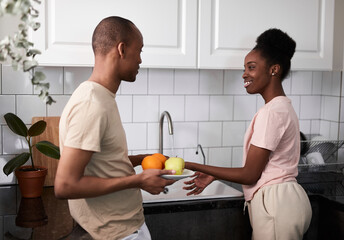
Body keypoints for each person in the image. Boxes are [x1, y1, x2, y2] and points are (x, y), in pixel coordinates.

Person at [184, 28, 312, 240]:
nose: (244, 74)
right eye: (245, 68)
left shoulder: (271, 113)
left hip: (276, 205)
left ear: (274, 70)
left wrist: (192, 165)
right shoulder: (280, 107)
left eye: (251, 67)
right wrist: (213, 174)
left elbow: (250, 174)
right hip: (284, 202)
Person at [54, 16, 175, 240]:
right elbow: (65, 185)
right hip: (118, 234)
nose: (140, 60)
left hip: (121, 229)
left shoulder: (100, 97)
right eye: (139, 50)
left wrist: (141, 159)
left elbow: (99, 165)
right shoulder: (92, 104)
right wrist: (138, 180)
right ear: (122, 49)